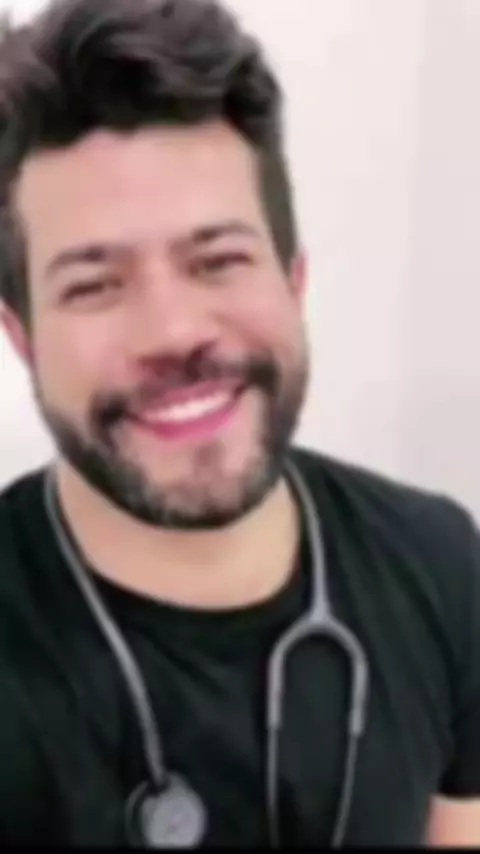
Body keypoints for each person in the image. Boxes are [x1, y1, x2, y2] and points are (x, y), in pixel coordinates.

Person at [0, 0, 479, 846]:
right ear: (22, 336)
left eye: (218, 260)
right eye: (94, 285)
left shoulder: (441, 565)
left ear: (293, 280)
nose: (173, 332)